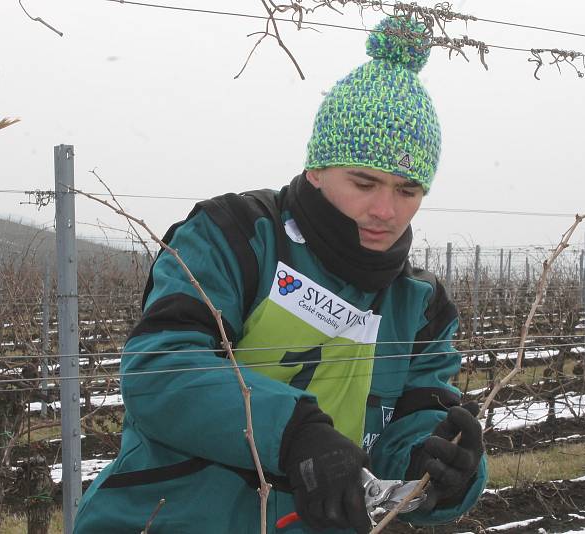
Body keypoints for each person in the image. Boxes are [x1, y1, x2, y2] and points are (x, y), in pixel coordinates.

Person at [74, 15, 487, 533]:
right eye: (364, 183)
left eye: (408, 190)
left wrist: (445, 472)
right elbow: (162, 370)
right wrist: (293, 433)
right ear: (316, 168)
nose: (386, 209)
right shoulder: (235, 236)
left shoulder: (419, 303)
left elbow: (413, 428)